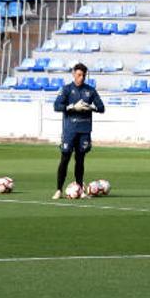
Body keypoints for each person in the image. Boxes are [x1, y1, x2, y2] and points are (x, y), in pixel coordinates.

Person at [52, 63, 105, 199]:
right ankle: (59, 189)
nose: (81, 78)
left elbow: (102, 107)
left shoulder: (90, 91)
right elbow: (57, 106)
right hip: (69, 131)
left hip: (84, 131)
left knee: (80, 160)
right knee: (65, 159)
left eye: (83, 75)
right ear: (73, 74)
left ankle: (80, 189)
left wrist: (90, 107)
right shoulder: (67, 89)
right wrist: (72, 107)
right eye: (78, 75)